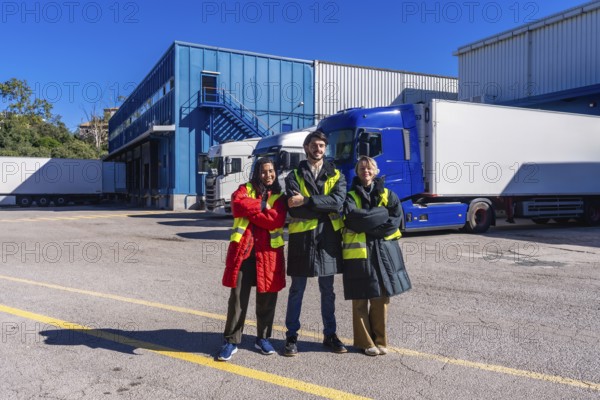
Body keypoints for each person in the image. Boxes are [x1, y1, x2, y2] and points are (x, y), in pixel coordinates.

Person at [284, 130, 347, 356]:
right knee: (296, 290)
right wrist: (321, 206)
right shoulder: (293, 175)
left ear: (324, 148)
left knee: (327, 291)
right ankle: (291, 337)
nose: (318, 149)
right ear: (306, 148)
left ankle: (330, 335)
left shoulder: (336, 175)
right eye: (314, 145)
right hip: (302, 240)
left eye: (321, 145)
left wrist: (308, 201)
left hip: (327, 240)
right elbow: (293, 205)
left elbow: (337, 202)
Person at [217, 157, 287, 361]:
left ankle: (263, 338)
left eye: (271, 171)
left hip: (268, 254)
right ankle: (231, 340)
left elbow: (277, 219)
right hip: (244, 253)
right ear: (257, 173)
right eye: (264, 171)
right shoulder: (244, 188)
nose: (268, 175)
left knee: (267, 298)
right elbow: (237, 205)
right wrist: (263, 206)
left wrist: (253, 211)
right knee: (237, 299)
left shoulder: (280, 196)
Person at [342, 156, 412, 356]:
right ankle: (365, 343)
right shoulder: (350, 196)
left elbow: (394, 222)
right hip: (359, 254)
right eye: (362, 167)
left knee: (381, 298)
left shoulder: (390, 195)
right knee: (360, 300)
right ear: (357, 171)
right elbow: (353, 221)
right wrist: (379, 215)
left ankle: (381, 341)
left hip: (383, 254)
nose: (366, 170)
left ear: (376, 171)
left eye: (369, 167)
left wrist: (369, 224)